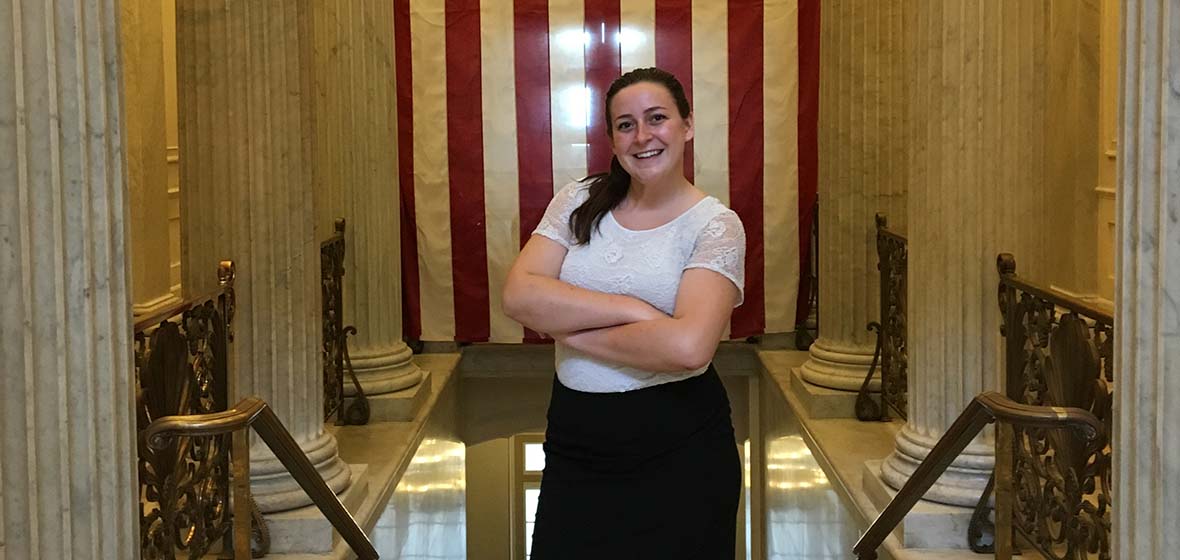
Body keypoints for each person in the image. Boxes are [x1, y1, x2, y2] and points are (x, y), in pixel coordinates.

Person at [502, 67, 747, 559]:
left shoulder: (717, 226)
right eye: (625, 125)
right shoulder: (580, 199)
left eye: (657, 118)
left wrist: (570, 331)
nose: (643, 136)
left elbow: (688, 348)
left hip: (680, 448)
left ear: (687, 125)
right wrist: (634, 311)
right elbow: (519, 297)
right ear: (612, 139)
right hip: (575, 441)